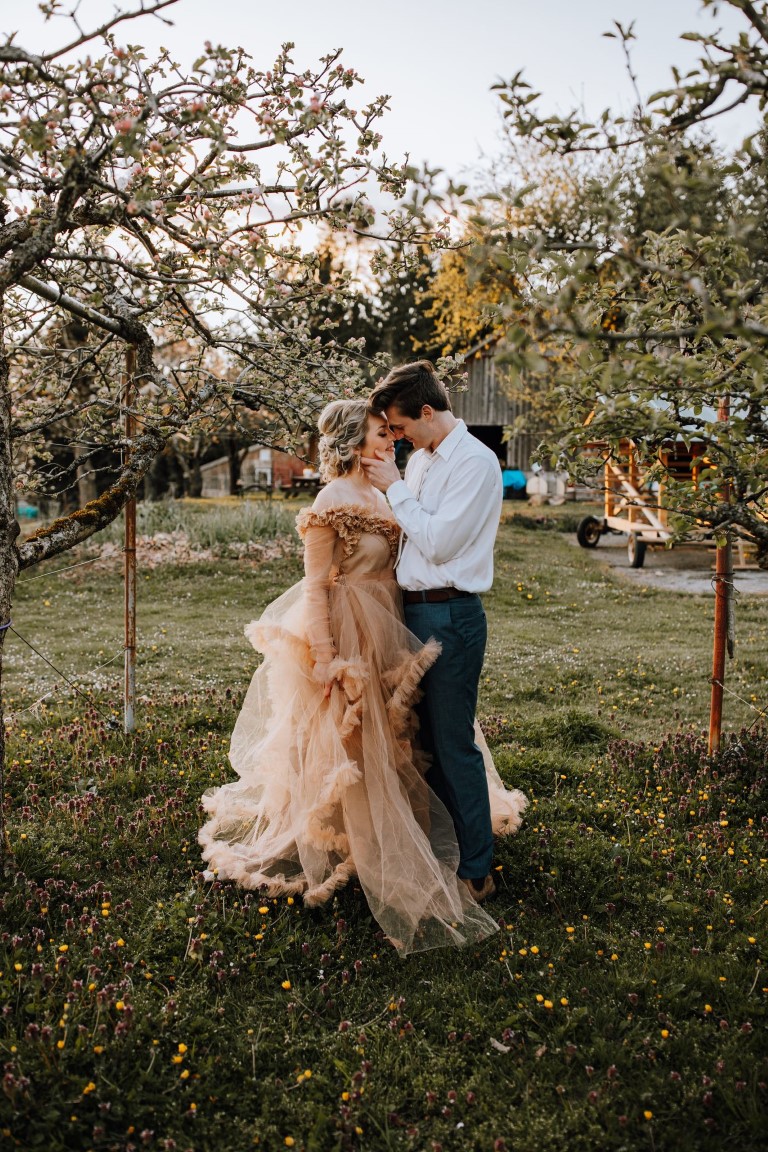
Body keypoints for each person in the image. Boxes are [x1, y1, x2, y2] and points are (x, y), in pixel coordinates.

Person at [199, 399, 507, 955]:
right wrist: (324, 655)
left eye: (392, 432)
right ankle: (360, 842)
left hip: (396, 624)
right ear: (351, 442)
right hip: (350, 631)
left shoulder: (386, 490)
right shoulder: (330, 502)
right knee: (353, 741)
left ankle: (427, 831)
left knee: (403, 738)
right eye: (379, 433)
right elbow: (316, 585)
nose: (391, 440)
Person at [364, 361, 526, 904]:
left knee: (453, 742)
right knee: (423, 739)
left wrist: (394, 491)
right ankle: (445, 846)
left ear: (427, 412)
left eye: (401, 426)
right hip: (413, 610)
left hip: (450, 615)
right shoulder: (422, 461)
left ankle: (477, 870)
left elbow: (437, 542)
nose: (397, 437)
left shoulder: (475, 464)